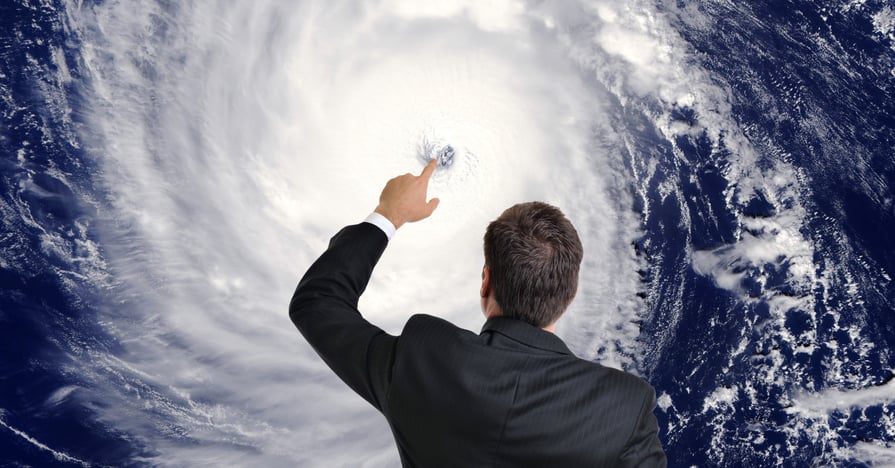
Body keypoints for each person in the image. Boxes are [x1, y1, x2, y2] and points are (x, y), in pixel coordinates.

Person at [290, 159, 666, 467]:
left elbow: (317, 303)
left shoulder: (421, 361)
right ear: (571, 294)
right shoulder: (624, 409)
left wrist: (389, 214)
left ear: (485, 283)